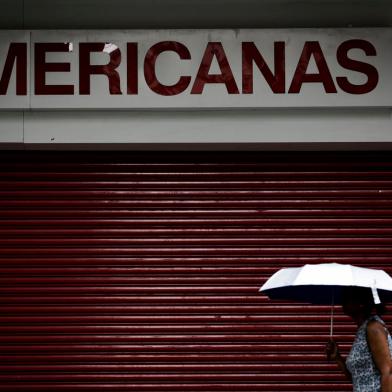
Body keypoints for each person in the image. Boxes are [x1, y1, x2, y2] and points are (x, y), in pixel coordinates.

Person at [325, 286, 392, 392]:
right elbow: (358, 379)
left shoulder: (373, 328)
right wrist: (337, 357)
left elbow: (388, 372)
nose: (343, 300)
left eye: (348, 297)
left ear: (361, 303)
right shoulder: (363, 330)